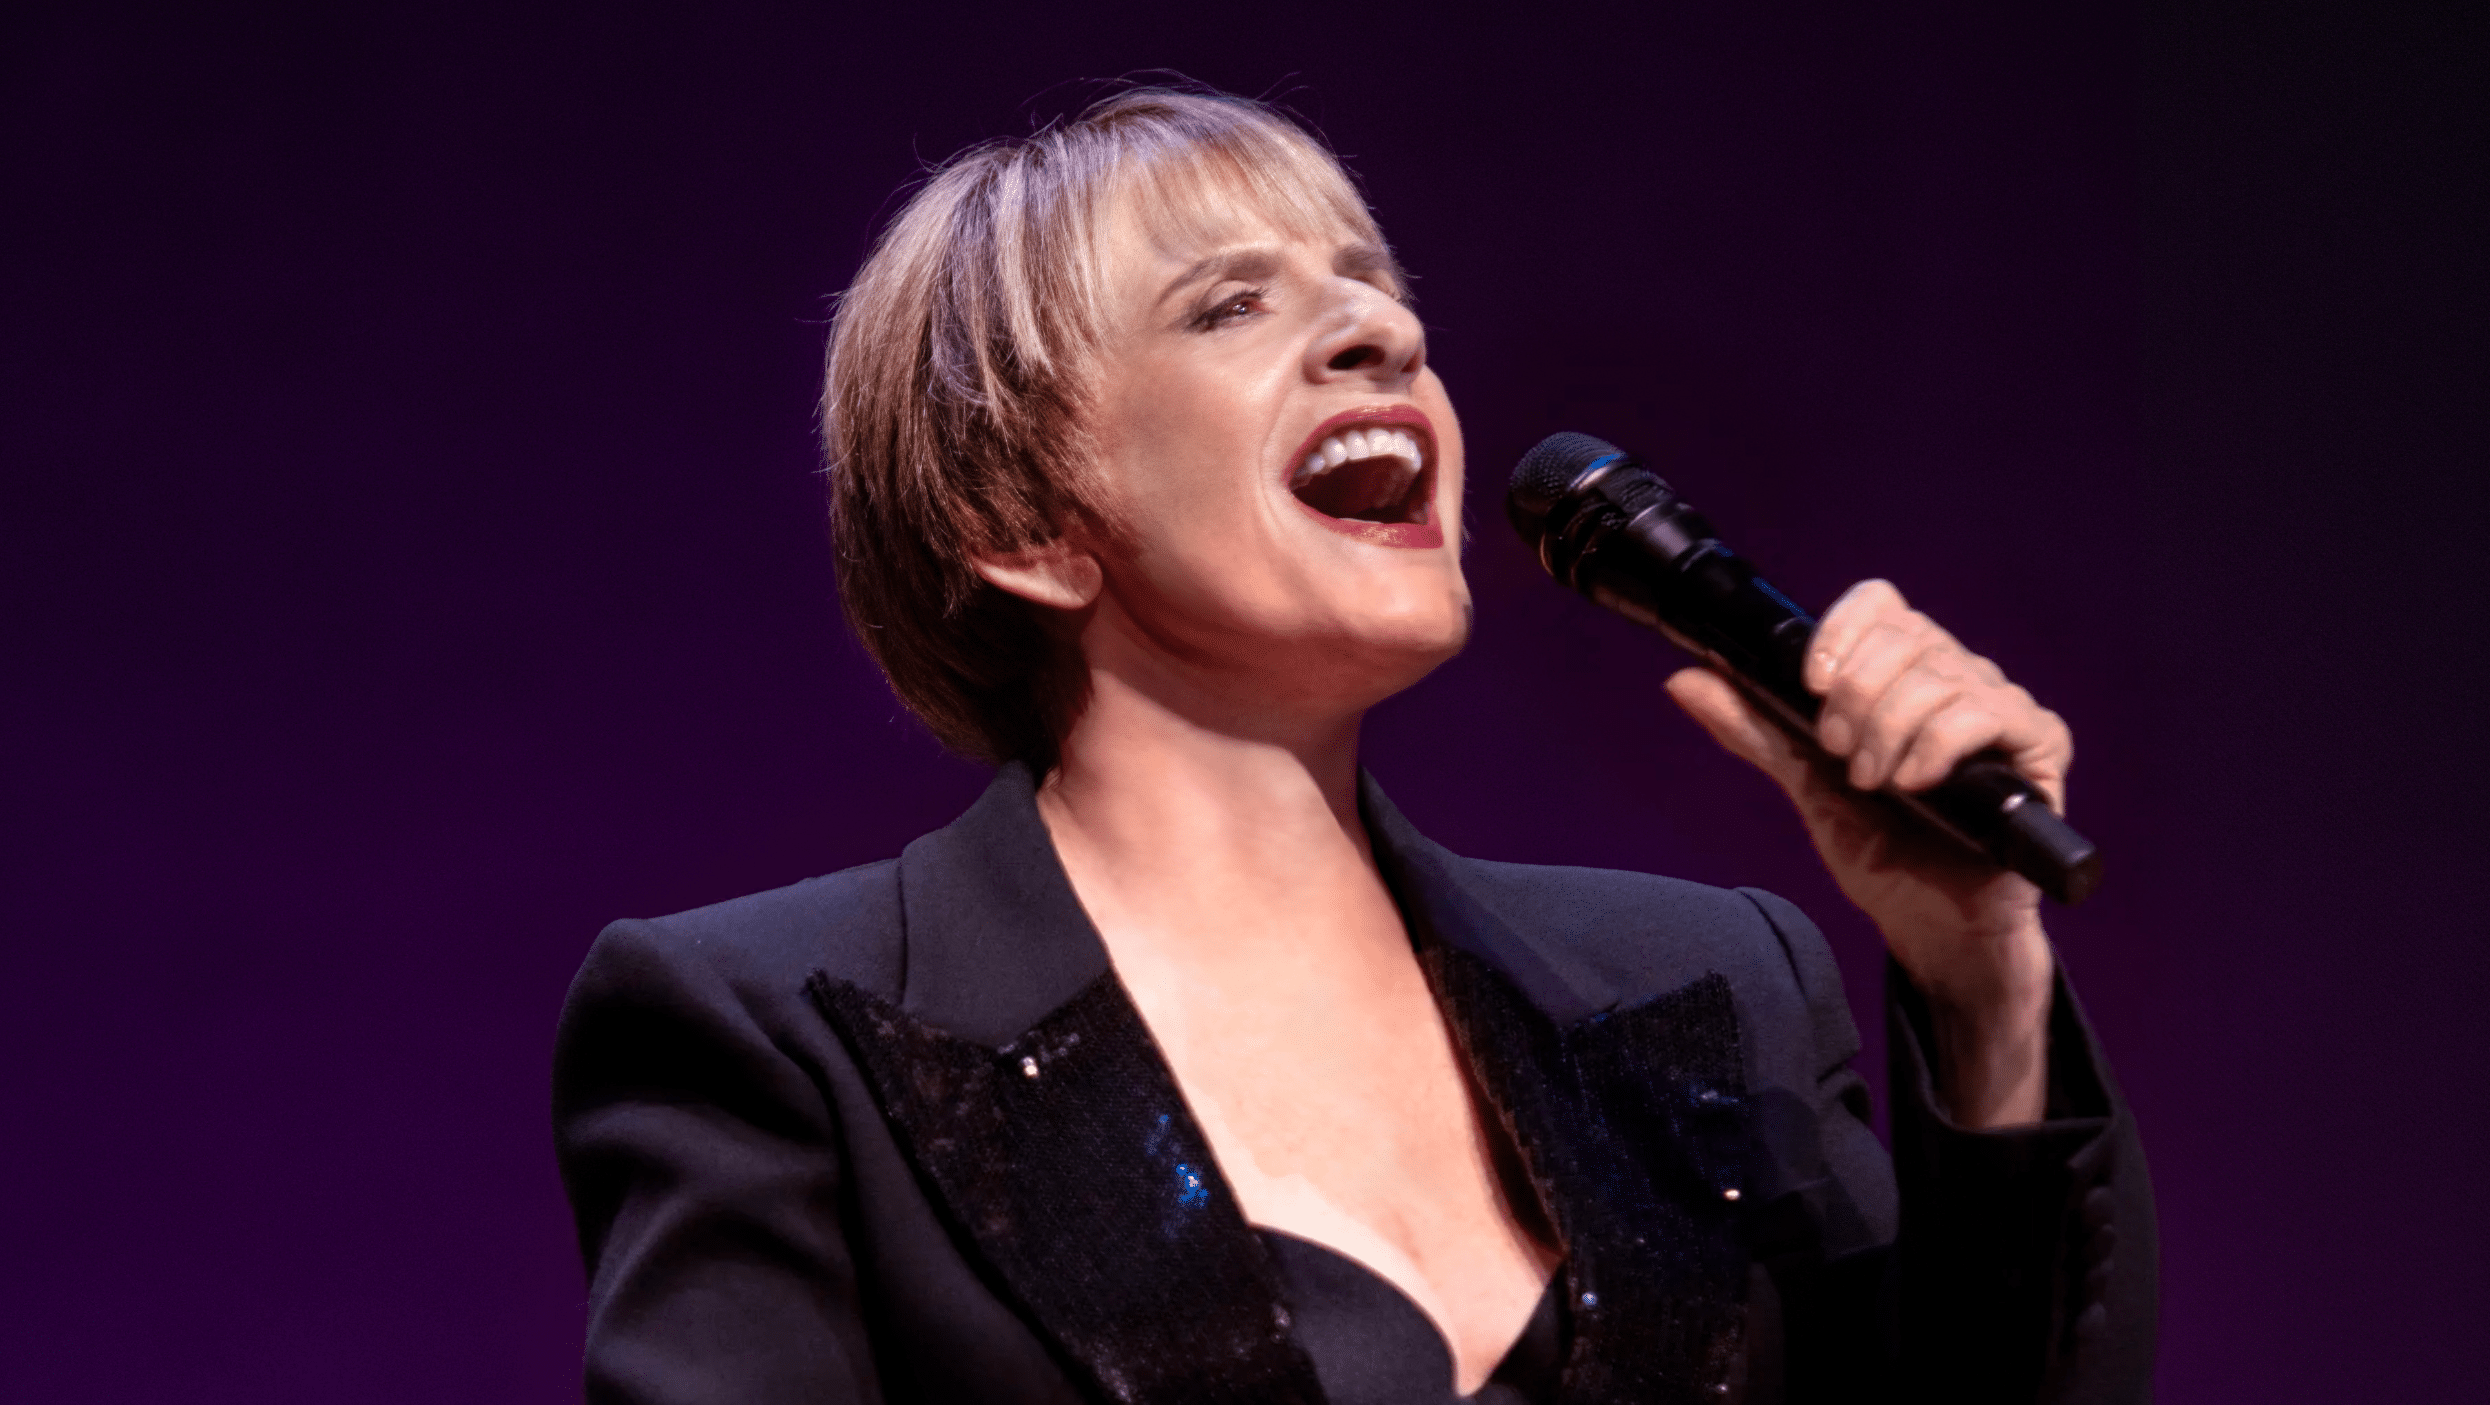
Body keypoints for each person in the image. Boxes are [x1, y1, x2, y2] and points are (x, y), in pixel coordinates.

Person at [551, 87, 2156, 1404]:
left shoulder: (1715, 986)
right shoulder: (784, 1036)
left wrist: (1981, 981)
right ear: (1019, 521)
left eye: (1375, 287)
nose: (1377, 329)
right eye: (1228, 305)